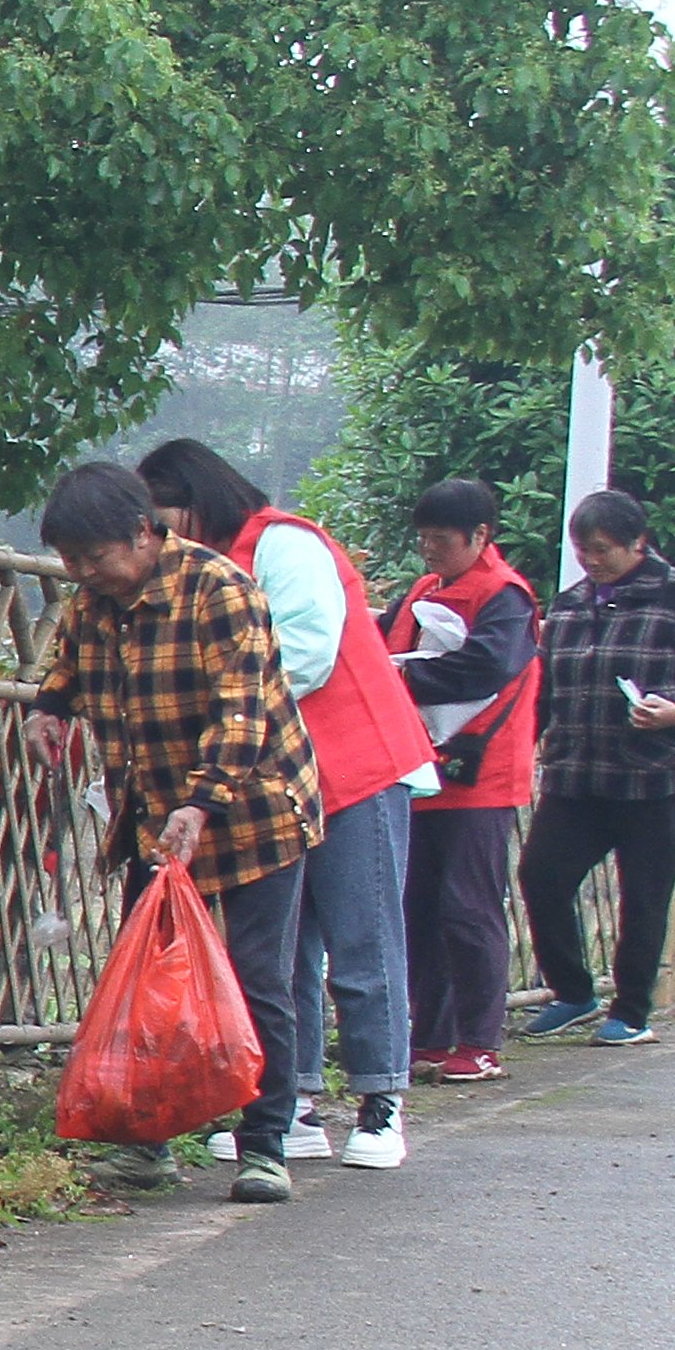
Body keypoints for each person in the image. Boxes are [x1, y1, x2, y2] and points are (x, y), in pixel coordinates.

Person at [136, 440, 436, 1172]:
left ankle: (380, 1100)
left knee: (362, 941)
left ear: (194, 500)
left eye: (162, 516)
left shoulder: (282, 542)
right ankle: (289, 1102)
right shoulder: (187, 570)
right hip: (267, 786)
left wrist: (210, 716)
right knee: (280, 953)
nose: (156, 535)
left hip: (354, 768)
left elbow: (307, 652)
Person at [28, 459, 324, 1202]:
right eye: (71, 561)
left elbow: (242, 711)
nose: (85, 573)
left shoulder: (220, 589)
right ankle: (145, 1143)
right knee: (148, 984)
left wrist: (203, 803)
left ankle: (264, 1147)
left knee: (260, 979)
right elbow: (66, 668)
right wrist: (48, 710)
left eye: (95, 558)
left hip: (252, 810)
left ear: (143, 533)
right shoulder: (91, 604)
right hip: (154, 817)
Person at [515, 488, 675, 1046]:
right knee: (541, 876)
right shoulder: (569, 605)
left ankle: (632, 1011)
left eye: (603, 550)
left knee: (642, 897)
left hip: (654, 778)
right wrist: (525, 742)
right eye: (582, 550)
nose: (591, 560)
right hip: (576, 776)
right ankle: (572, 992)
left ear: (638, 543)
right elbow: (544, 689)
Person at [385, 478, 543, 1082]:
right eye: (423, 539)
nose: (429, 551)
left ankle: (479, 1040)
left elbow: (487, 667)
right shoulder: (424, 591)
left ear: (481, 537)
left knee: (469, 908)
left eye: (441, 541)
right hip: (422, 770)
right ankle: (430, 1035)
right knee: (418, 906)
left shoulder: (506, 596)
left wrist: (403, 681)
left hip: (483, 776)